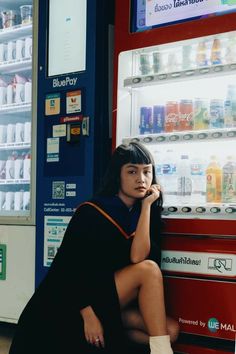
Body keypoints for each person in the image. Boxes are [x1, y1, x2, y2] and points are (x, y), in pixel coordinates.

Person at [9, 142, 179, 354]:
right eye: (132, 171)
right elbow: (67, 270)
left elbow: (137, 256)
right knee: (149, 270)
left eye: (147, 172)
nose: (141, 179)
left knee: (170, 330)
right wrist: (88, 315)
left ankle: (122, 336)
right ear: (118, 175)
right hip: (72, 302)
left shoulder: (144, 213)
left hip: (111, 297)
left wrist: (146, 208)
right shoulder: (92, 212)